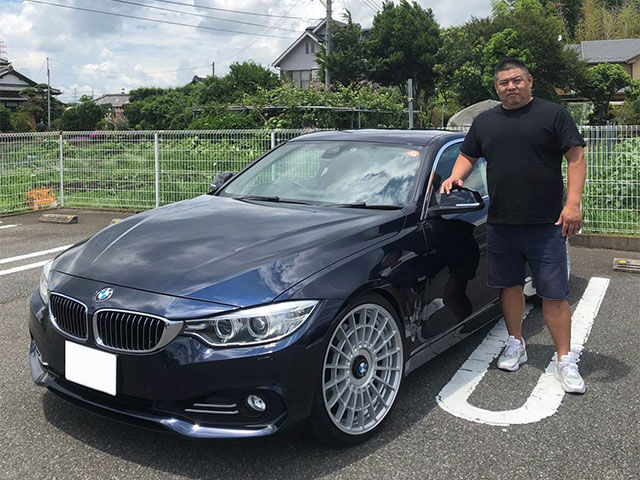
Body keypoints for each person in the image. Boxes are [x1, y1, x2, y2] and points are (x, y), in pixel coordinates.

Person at [440, 58, 588, 394]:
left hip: (547, 223)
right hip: (501, 223)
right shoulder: (485, 122)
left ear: (530, 81)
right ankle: (515, 343)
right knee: (509, 287)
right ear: (496, 87)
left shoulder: (553, 114)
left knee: (554, 294)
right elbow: (468, 155)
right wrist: (455, 176)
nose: (511, 87)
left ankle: (565, 359)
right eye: (504, 82)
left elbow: (576, 157)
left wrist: (573, 204)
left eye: (517, 80)